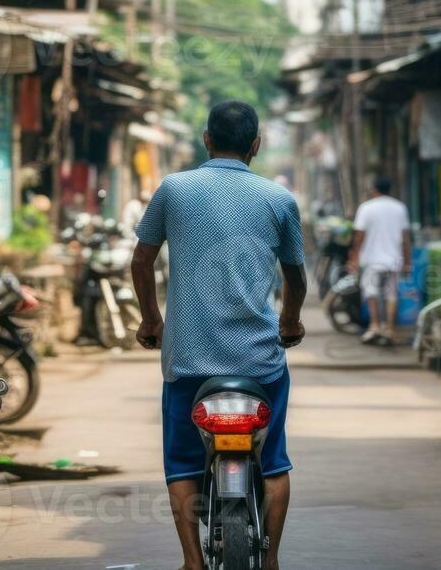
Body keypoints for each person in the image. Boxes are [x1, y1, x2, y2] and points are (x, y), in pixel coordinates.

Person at [130, 100, 307, 570]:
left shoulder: (174, 189)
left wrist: (151, 321)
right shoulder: (278, 199)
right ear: (256, 145)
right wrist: (290, 321)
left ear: (206, 140)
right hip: (259, 363)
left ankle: (192, 560)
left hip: (189, 361)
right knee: (273, 461)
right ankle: (271, 561)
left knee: (184, 460)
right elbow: (296, 276)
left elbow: (141, 260)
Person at [348, 175, 412, 346]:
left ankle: (375, 325)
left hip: (372, 259)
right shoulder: (400, 208)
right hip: (393, 259)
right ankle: (390, 329)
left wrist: (354, 257)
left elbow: (359, 236)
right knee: (392, 294)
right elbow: (406, 238)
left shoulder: (366, 208)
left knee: (372, 293)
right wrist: (407, 261)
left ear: (374, 189)